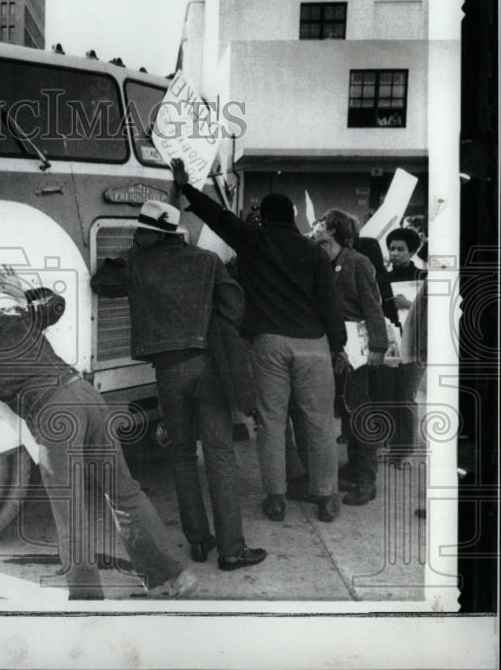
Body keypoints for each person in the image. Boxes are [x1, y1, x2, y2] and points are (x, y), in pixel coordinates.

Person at [0, 268, 198, 600]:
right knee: (125, 494)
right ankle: (172, 578)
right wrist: (22, 292)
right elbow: (56, 304)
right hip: (88, 395)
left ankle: (87, 601)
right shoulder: (17, 318)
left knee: (72, 513)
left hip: (55, 417)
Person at [91, 200, 268, 571]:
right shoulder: (206, 261)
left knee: (183, 455)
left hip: (168, 372)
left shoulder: (137, 265)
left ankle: (200, 542)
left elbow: (101, 283)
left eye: (140, 232)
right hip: (207, 366)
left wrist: (134, 253)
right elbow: (234, 305)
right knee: (219, 455)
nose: (135, 236)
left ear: (152, 234)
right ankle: (232, 550)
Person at [172, 160, 346, 523]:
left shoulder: (254, 239)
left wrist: (187, 188)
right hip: (313, 344)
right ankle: (327, 497)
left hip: (268, 343)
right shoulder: (314, 250)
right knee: (319, 423)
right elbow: (331, 302)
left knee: (271, 421)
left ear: (264, 217)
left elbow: (217, 216)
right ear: (293, 217)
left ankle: (276, 498)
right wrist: (338, 344)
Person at [312, 209, 389, 506]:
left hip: (356, 347)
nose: (316, 228)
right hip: (334, 347)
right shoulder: (324, 261)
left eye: (321, 224)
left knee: (359, 412)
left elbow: (373, 307)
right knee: (347, 410)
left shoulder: (358, 262)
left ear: (332, 230)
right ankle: (355, 466)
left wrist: (378, 348)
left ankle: (367, 480)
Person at [384, 227, 427, 462]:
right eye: (391, 248)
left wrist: (408, 303)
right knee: (391, 396)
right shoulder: (383, 278)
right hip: (392, 345)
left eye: (401, 249)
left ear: (412, 252)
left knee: (406, 397)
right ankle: (394, 445)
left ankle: (405, 452)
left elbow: (437, 313)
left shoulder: (424, 277)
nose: (395, 253)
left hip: (416, 345)